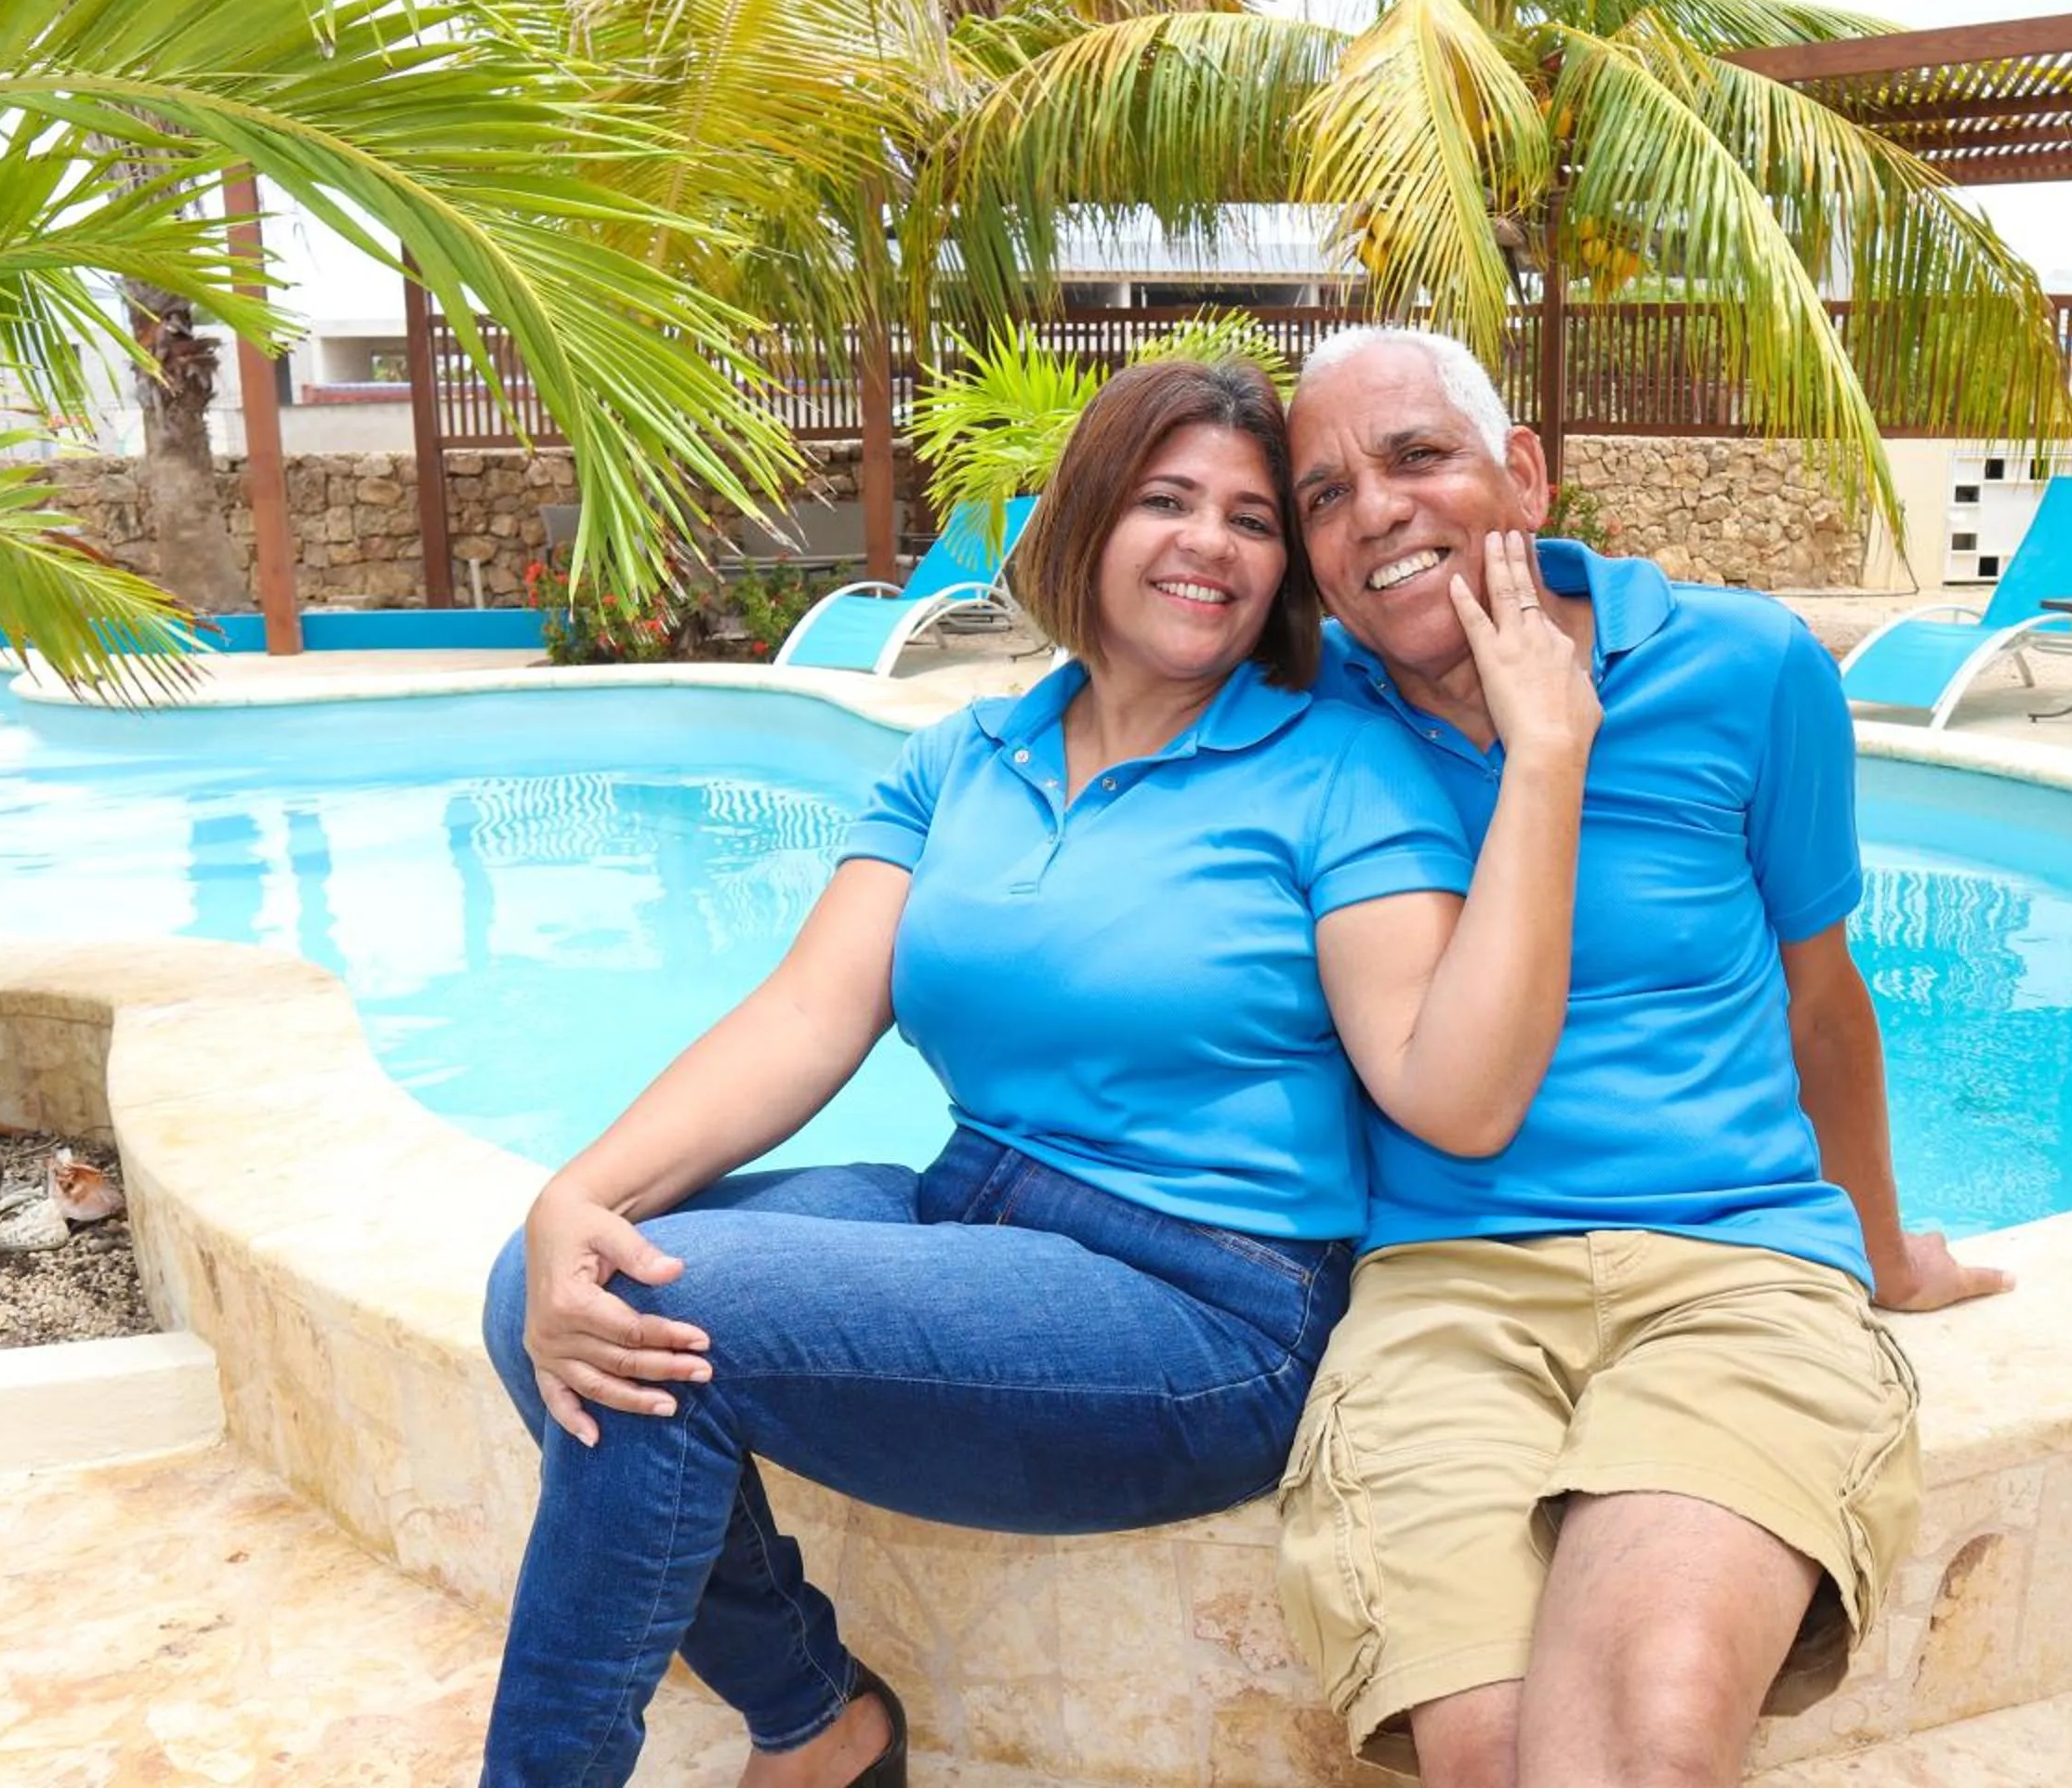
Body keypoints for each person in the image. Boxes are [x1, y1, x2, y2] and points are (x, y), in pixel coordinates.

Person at [479, 358, 1600, 1788]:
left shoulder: (1338, 763)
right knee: (549, 1281)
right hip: (970, 1210)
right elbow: (813, 1013)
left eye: (1255, 521)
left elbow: (1453, 1092)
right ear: (1086, 519)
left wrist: (1551, 756)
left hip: (1212, 1299)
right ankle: (820, 1721)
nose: (1210, 542)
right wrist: (582, 1190)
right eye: (1166, 500)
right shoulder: (966, 756)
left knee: (651, 1315)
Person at [1274, 329, 2015, 1788]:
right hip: (1445, 1289)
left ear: (1525, 472)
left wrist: (1881, 1251)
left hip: (1732, 1269)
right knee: (1489, 1754)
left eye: (1418, 456)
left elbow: (1821, 1003)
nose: (1375, 511)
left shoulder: (1744, 665)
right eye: (1322, 494)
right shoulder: (1301, 725)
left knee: (1654, 1730)